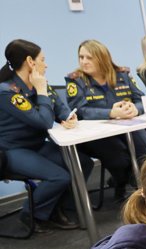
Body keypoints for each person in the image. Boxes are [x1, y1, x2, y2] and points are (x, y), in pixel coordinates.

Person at [0, 39, 90, 233]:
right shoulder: (7, 92)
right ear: (30, 61)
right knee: (59, 177)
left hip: (37, 145)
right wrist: (41, 90)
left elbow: (59, 107)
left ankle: (58, 208)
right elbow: (43, 121)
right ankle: (30, 214)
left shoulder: (38, 82)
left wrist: (68, 116)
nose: (46, 64)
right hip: (13, 150)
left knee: (84, 163)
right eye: (43, 59)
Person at [65, 39, 146, 201]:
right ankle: (123, 185)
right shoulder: (75, 80)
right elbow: (81, 110)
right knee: (120, 158)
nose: (83, 61)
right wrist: (110, 113)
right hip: (97, 135)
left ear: (102, 57)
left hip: (127, 126)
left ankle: (140, 187)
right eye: (81, 57)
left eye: (89, 57)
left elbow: (141, 100)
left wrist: (136, 109)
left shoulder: (122, 74)